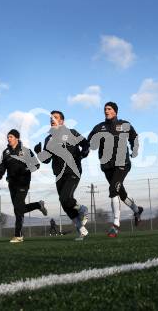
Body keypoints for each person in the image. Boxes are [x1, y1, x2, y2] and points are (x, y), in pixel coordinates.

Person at [87, 102, 143, 238]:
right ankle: (137, 210)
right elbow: (88, 143)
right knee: (121, 193)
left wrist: (134, 149)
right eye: (105, 109)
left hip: (122, 163)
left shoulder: (124, 124)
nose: (106, 111)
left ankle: (115, 225)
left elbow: (134, 137)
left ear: (115, 112)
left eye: (109, 109)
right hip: (107, 166)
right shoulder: (99, 127)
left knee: (113, 190)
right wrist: (83, 150)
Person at [35, 111, 89, 241]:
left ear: (62, 121)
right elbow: (47, 160)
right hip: (59, 174)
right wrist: (39, 152)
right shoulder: (48, 139)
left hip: (73, 171)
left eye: (55, 117)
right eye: (51, 118)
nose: (52, 120)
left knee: (66, 197)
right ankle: (82, 230)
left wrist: (83, 152)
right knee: (64, 203)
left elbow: (85, 144)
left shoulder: (72, 132)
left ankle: (83, 209)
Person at [0, 129, 48, 243]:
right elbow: (2, 166)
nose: (8, 139)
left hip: (23, 182)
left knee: (17, 208)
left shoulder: (26, 151)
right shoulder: (5, 152)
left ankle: (18, 235)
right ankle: (38, 205)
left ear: (17, 138)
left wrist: (25, 169)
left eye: (10, 136)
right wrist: (0, 173)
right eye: (8, 137)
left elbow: (36, 165)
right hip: (12, 183)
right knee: (19, 209)